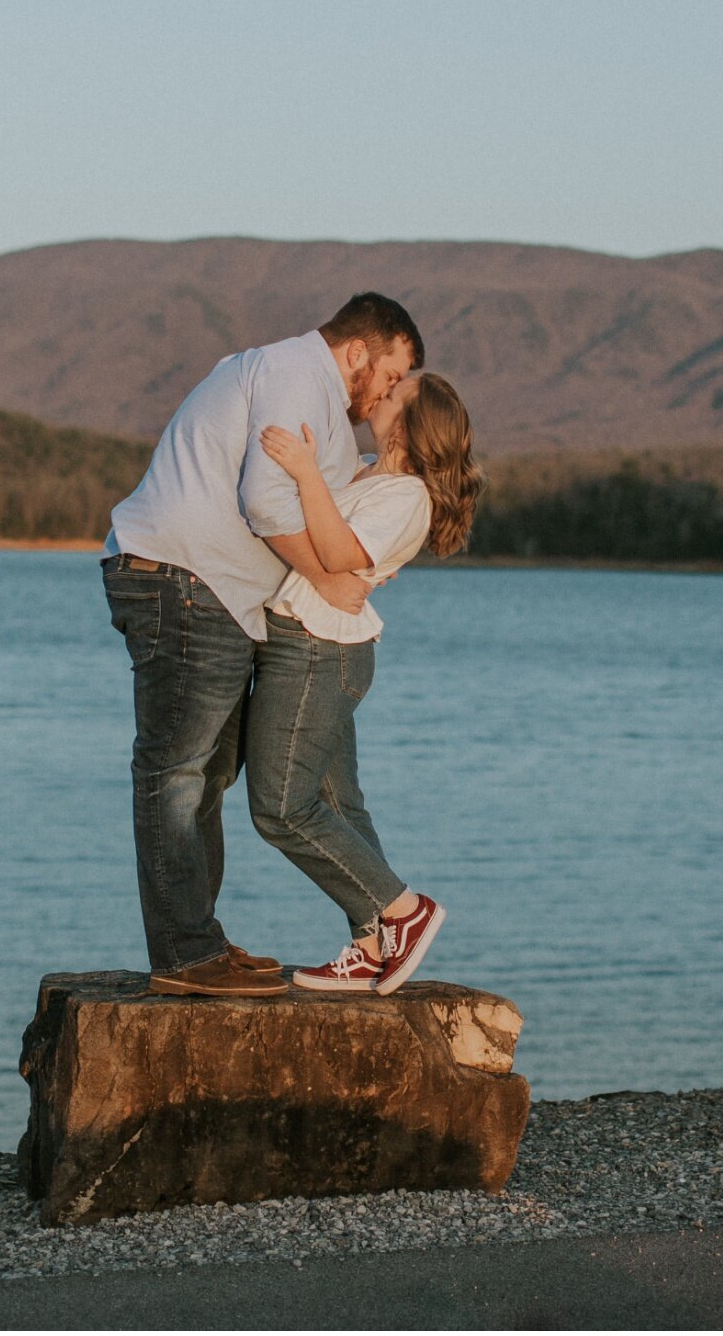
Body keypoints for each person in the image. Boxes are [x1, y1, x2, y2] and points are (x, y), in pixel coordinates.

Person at [100, 294, 422, 998]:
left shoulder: (309, 391)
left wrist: (371, 551)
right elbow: (268, 500)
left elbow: (333, 509)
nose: (391, 390)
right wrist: (328, 578)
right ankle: (187, 954)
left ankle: (197, 943)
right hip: (184, 580)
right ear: (362, 351)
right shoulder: (296, 372)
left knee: (205, 774)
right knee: (179, 771)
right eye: (393, 373)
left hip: (212, 592)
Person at [250, 370, 481, 993]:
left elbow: (338, 553)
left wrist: (302, 472)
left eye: (395, 394)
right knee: (338, 806)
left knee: (280, 808)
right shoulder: (371, 473)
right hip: (313, 643)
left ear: (409, 423)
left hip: (318, 653)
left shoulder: (407, 495)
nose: (380, 394)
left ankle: (404, 911)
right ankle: (373, 945)